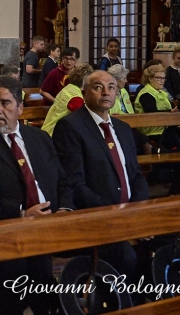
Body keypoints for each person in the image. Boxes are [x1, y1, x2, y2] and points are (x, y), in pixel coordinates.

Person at [0, 76, 73, 314]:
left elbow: (62, 181)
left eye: (5, 103)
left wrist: (64, 212)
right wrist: (21, 214)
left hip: (50, 229)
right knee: (13, 293)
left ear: (20, 107)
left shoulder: (39, 138)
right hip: (3, 237)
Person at [52, 70, 159, 287]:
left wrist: (139, 213)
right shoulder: (70, 127)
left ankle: (149, 298)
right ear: (84, 92)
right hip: (96, 218)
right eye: (97, 87)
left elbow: (136, 176)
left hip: (130, 214)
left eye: (111, 87)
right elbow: (76, 185)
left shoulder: (123, 128)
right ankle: (121, 301)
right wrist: (120, 217)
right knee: (126, 256)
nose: (106, 92)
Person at [41, 63, 94, 136]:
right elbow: (87, 116)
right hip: (53, 134)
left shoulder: (70, 88)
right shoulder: (75, 97)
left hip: (50, 131)